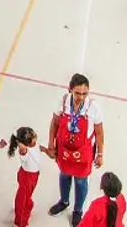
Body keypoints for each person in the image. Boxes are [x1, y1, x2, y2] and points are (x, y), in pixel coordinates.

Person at [45, 73, 106, 225]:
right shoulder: (63, 102)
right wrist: (51, 145)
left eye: (85, 93)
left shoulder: (93, 108)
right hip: (64, 150)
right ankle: (64, 201)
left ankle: (78, 210)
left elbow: (99, 132)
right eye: (77, 93)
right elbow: (54, 124)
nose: (81, 97)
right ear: (70, 89)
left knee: (80, 182)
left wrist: (100, 154)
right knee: (64, 176)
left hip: (83, 153)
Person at [9, 126, 42, 227]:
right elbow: (24, 153)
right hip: (27, 177)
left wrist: (46, 150)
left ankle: (25, 203)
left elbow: (39, 148)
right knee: (23, 198)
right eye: (32, 137)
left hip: (34, 175)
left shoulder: (34, 144)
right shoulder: (24, 151)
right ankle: (20, 221)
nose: (34, 138)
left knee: (27, 194)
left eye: (34, 135)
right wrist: (22, 148)